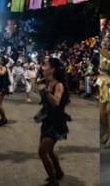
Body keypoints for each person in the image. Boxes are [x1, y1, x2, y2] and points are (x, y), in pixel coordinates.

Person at [35, 57, 70, 186]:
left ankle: (53, 181)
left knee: (42, 152)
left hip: (56, 122)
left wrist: (44, 90)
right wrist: (41, 85)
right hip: (47, 120)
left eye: (46, 65)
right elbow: (43, 96)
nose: (43, 67)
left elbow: (55, 102)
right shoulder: (48, 82)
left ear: (52, 69)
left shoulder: (58, 85)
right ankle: (58, 172)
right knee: (49, 151)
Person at [0, 57, 10, 126]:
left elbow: (1, 73)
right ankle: (3, 118)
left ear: (2, 62)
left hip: (3, 88)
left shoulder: (4, 67)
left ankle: (4, 119)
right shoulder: (0, 67)